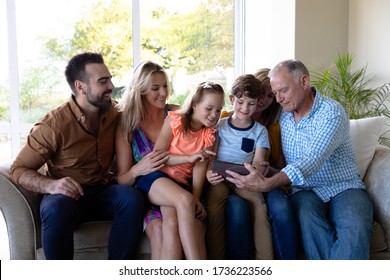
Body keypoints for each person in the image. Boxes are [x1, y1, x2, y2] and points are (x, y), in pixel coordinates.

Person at [226, 59, 374, 260]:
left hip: (344, 186)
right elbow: (245, 114)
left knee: (355, 225)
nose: (278, 99)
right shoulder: (281, 115)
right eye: (275, 93)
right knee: (308, 219)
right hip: (304, 190)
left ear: (304, 82)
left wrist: (269, 183)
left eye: (283, 91)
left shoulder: (331, 112)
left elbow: (312, 159)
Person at [9, 52, 145, 260]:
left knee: (131, 198)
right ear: (81, 87)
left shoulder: (114, 112)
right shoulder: (53, 126)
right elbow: (18, 170)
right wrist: (51, 186)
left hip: (103, 191)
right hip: (67, 197)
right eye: (103, 81)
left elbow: (149, 111)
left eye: (110, 78)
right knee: (56, 208)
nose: (111, 86)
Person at [133, 81, 225, 260]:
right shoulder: (175, 120)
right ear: (194, 104)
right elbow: (158, 157)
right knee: (184, 199)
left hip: (181, 184)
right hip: (157, 177)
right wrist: (188, 158)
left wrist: (197, 197)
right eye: (209, 108)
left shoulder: (210, 134)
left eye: (219, 110)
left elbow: (200, 166)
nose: (214, 115)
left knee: (172, 223)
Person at [224, 68, 300, 260]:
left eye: (271, 95)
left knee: (281, 209)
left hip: (267, 180)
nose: (265, 100)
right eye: (262, 94)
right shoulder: (225, 118)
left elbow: (281, 168)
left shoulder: (273, 126)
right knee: (237, 209)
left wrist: (267, 171)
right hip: (231, 180)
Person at [115, 60, 183, 259]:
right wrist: (138, 169)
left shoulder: (176, 114)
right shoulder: (127, 124)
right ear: (141, 90)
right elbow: (122, 179)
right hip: (147, 195)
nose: (163, 93)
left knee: (178, 225)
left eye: (165, 86)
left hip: (179, 186)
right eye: (155, 88)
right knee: (159, 231)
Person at [205, 74, 273, 260]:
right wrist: (208, 174)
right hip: (219, 179)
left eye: (251, 103)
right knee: (214, 210)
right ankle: (216, 261)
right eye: (241, 102)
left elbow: (258, 161)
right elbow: (209, 156)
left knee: (260, 206)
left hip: (245, 180)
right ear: (232, 100)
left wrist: (256, 174)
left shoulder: (260, 131)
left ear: (258, 103)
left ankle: (265, 261)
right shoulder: (219, 126)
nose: (245, 108)